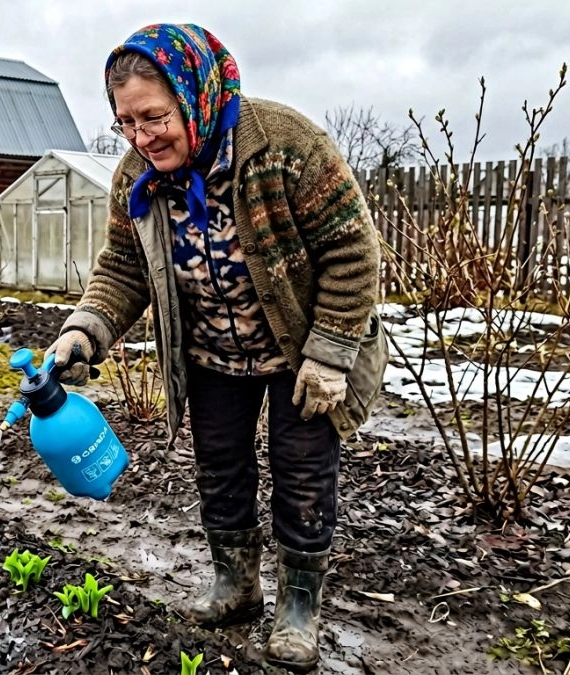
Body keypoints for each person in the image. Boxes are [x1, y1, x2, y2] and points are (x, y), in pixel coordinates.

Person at [45, 23, 388, 671]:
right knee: (220, 469)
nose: (143, 138)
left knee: (303, 472)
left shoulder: (286, 145)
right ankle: (236, 584)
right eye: (126, 123)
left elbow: (353, 249)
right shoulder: (136, 179)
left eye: (154, 117)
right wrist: (82, 331)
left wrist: (332, 350)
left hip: (302, 352)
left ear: (194, 95)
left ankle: (299, 603)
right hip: (212, 355)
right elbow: (122, 270)